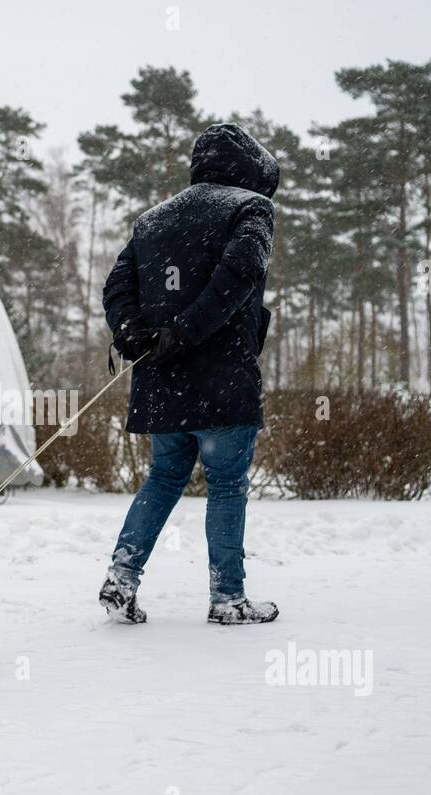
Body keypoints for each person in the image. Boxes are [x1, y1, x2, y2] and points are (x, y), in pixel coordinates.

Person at [99, 123, 281, 626]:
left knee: (162, 478)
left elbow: (117, 287)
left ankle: (121, 579)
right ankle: (228, 599)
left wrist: (134, 333)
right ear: (248, 167)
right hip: (222, 382)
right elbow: (238, 276)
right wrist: (186, 332)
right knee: (226, 486)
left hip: (163, 385)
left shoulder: (152, 220)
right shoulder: (252, 208)